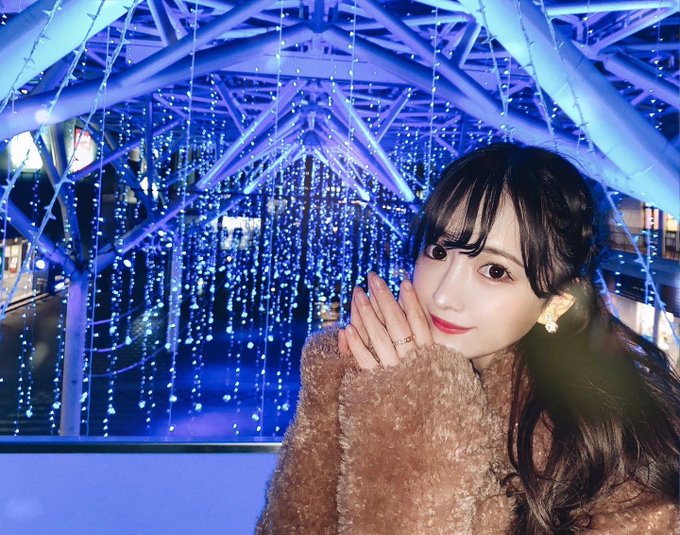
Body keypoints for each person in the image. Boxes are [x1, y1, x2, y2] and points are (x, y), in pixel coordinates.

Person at [256, 143, 680, 534]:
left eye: (495, 271)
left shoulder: (613, 449)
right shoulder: (351, 370)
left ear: (556, 303)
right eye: (439, 251)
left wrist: (415, 414)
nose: (443, 296)